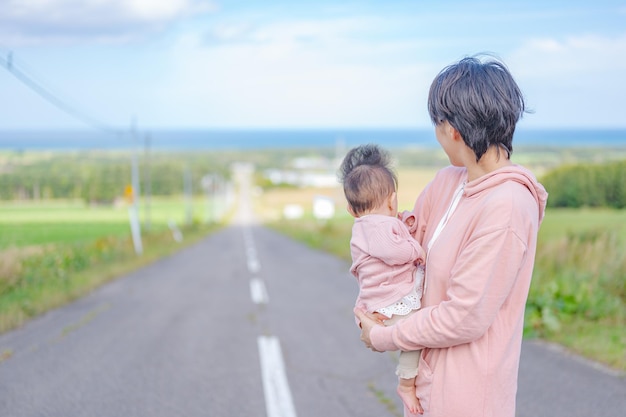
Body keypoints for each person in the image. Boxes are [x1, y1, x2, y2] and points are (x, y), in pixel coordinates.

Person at [354, 55, 548, 417]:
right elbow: (402, 247)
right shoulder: (449, 182)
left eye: (437, 123)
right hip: (429, 383)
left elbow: (464, 316)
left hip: (469, 397)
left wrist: (383, 336)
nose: (437, 133)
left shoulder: (507, 206)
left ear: (453, 129)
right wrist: (372, 308)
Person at [339, 143, 426, 415]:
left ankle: (408, 381)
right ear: (392, 199)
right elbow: (394, 250)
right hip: (390, 302)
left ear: (352, 210)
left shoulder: (365, 225)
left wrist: (405, 225)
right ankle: (407, 383)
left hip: (378, 301)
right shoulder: (378, 226)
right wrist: (416, 249)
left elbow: (393, 234)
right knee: (415, 337)